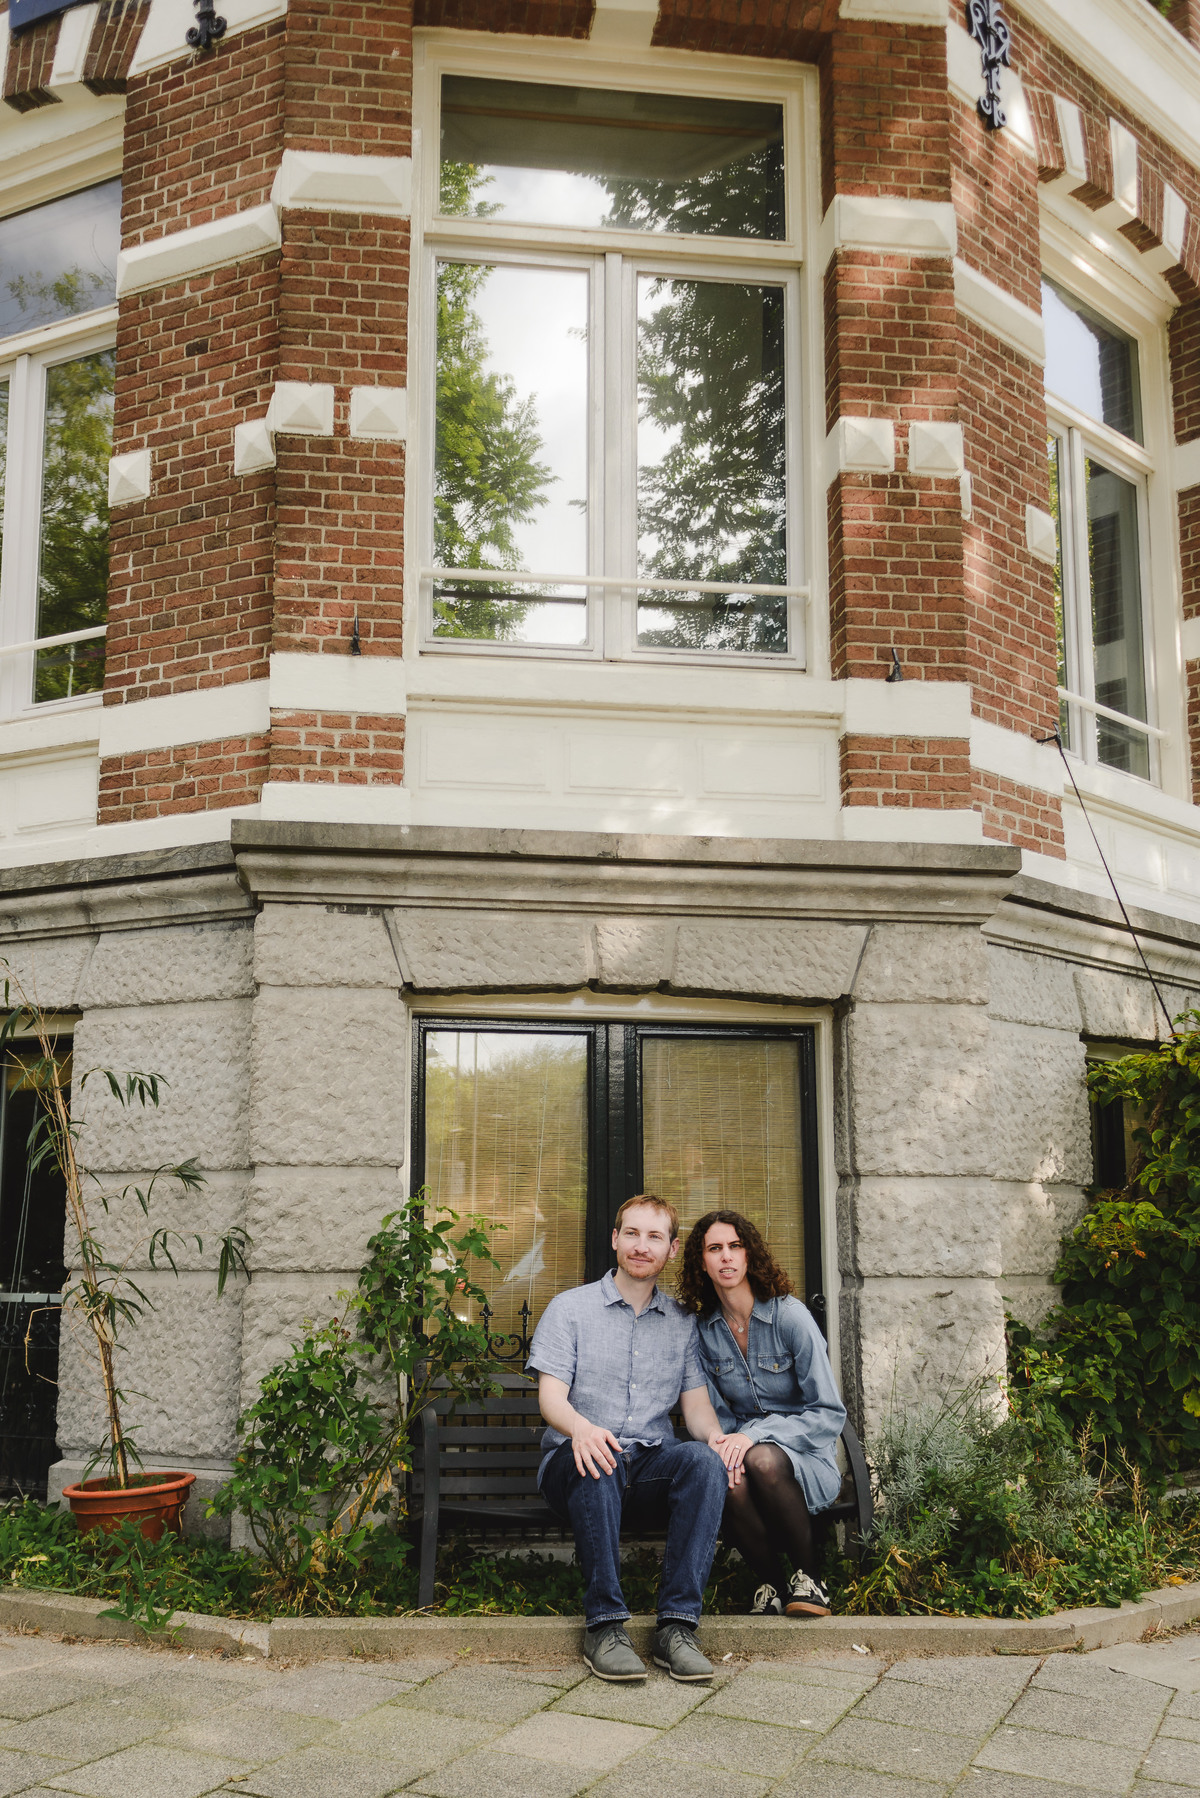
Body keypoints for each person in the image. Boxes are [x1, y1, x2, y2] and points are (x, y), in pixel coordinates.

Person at [527, 1194, 733, 1684]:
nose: (642, 1246)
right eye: (633, 1234)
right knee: (601, 1456)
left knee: (703, 1463)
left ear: (672, 1248)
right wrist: (581, 1428)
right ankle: (604, 1627)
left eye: (655, 1237)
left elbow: (697, 1409)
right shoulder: (570, 1310)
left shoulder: (682, 1324)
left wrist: (720, 1441)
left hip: (646, 1469)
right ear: (615, 1239)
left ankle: (677, 1628)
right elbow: (550, 1400)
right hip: (574, 1467)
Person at [676, 1208, 846, 1620]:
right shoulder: (704, 1330)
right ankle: (771, 1584)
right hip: (745, 1452)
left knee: (761, 1457)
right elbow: (717, 1413)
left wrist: (753, 1437)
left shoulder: (789, 1317)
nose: (726, 1257)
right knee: (728, 1475)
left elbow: (827, 1413)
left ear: (750, 1255)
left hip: (806, 1457)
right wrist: (728, 1447)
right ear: (702, 1262)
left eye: (735, 1246)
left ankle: (811, 1579)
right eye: (714, 1249)